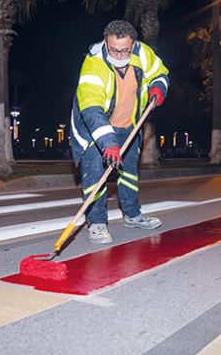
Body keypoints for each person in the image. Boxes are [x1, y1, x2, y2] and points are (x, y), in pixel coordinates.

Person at [70, 20, 170, 244]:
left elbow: (160, 73)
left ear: (132, 44)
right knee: (96, 176)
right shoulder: (93, 64)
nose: (120, 55)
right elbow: (92, 109)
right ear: (106, 41)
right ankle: (96, 223)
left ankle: (133, 215)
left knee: (130, 174)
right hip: (95, 131)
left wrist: (158, 88)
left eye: (125, 50)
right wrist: (108, 142)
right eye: (114, 50)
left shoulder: (142, 53)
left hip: (130, 125)